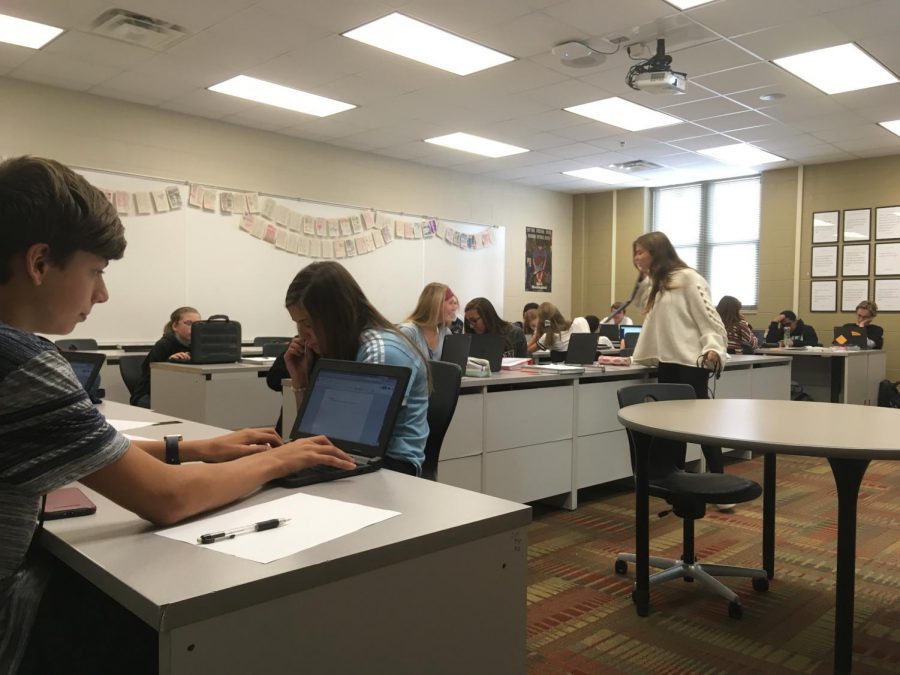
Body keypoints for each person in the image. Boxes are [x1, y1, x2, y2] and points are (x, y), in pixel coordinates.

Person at [0, 156, 355, 674]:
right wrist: (282, 460)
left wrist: (189, 447)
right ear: (38, 263)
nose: (102, 293)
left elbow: (81, 450)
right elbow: (168, 499)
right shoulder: (22, 362)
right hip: (13, 625)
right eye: (95, 271)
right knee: (184, 614)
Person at [280, 261, 429, 476]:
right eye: (298, 324)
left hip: (391, 467)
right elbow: (314, 435)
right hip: (355, 456)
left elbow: (351, 439)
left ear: (335, 316)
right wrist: (301, 381)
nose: (302, 336)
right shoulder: (343, 345)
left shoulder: (380, 350)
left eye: (309, 324)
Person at [630, 232, 732, 505]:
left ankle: (720, 483)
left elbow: (709, 318)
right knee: (672, 427)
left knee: (701, 426)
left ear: (657, 251)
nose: (636, 257)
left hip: (691, 362)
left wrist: (713, 347)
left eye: (641, 252)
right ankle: (677, 482)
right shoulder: (656, 283)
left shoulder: (688, 278)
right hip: (668, 361)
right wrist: (643, 277)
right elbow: (646, 313)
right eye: (635, 253)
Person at [129, 306, 200, 407]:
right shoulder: (164, 345)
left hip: (180, 394)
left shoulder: (198, 346)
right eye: (189, 324)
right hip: (149, 395)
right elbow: (152, 381)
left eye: (197, 324)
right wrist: (169, 363)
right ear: (175, 326)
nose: (194, 328)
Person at [398, 282, 457, 360]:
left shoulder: (445, 332)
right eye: (451, 303)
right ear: (436, 305)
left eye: (455, 303)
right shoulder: (408, 332)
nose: (455, 308)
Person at [463, 297, 528, 358]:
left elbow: (523, 365)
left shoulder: (515, 333)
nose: (471, 326)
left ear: (487, 317)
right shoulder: (471, 338)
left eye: (474, 320)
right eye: (468, 322)